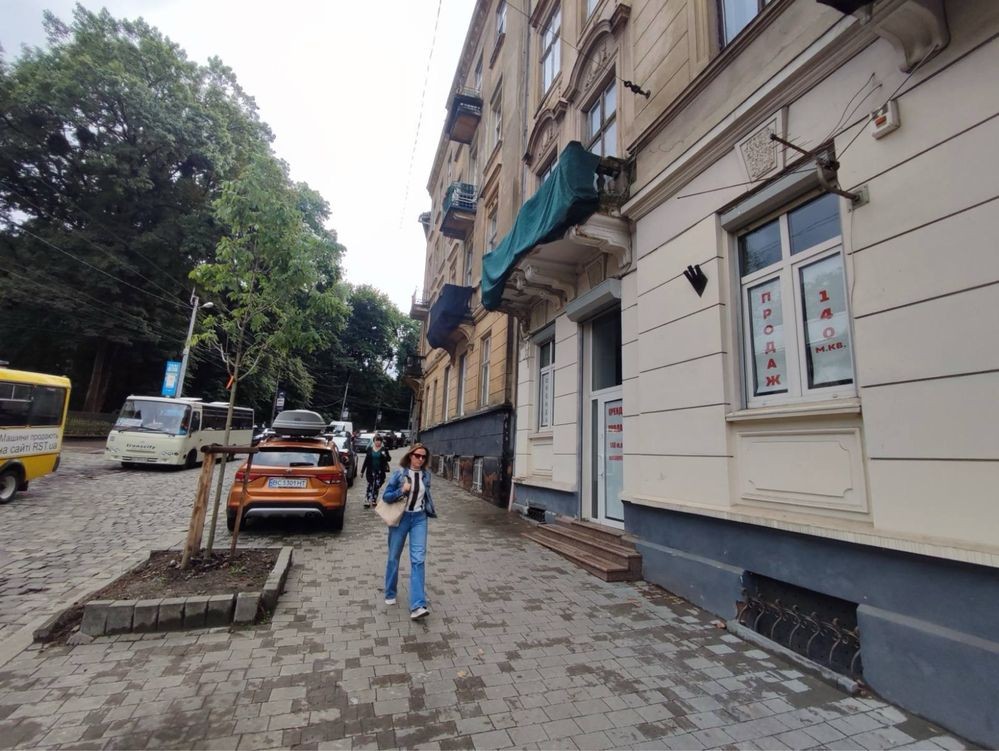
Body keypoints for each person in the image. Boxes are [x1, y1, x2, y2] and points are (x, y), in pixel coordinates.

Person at [381, 443, 436, 620]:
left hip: (419, 519)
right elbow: (386, 496)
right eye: (417, 455)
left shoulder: (426, 475)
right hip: (401, 518)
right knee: (393, 557)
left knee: (418, 559)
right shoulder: (399, 473)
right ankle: (390, 591)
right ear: (410, 455)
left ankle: (418, 605)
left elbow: (425, 495)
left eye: (423, 457)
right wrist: (401, 490)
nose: (420, 459)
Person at [360, 434, 391, 509]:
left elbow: (389, 459)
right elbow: (366, 460)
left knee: (377, 485)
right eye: (376, 440)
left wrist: (385, 455)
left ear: (381, 442)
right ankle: (367, 500)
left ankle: (374, 499)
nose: (378, 442)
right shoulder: (370, 449)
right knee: (370, 485)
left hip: (380, 471)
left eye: (379, 441)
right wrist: (362, 471)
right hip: (370, 470)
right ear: (374, 441)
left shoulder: (384, 449)